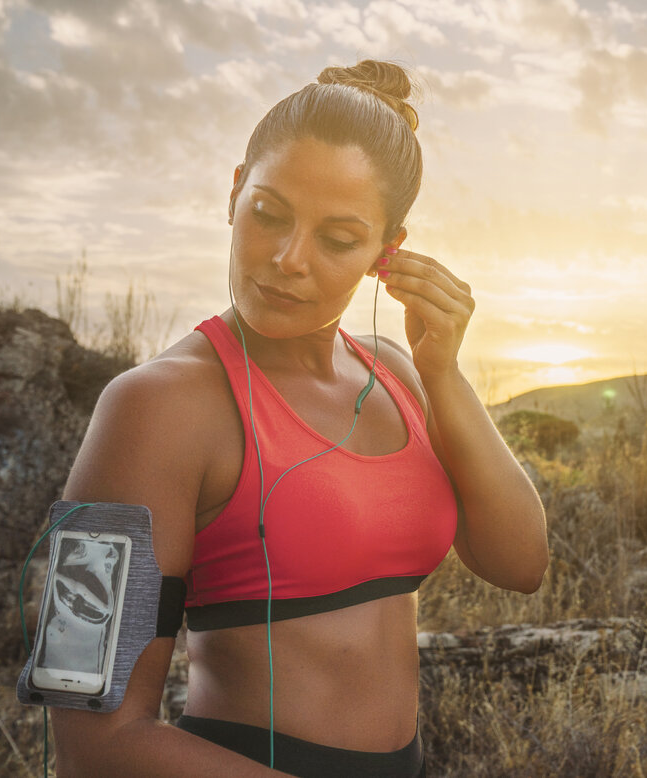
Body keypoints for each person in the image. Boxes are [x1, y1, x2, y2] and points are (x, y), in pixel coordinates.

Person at [50, 59, 549, 777]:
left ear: (387, 251)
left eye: (339, 238)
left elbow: (520, 562)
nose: (288, 259)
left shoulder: (398, 371)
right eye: (269, 214)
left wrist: (444, 373)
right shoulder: (151, 407)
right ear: (234, 193)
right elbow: (92, 745)